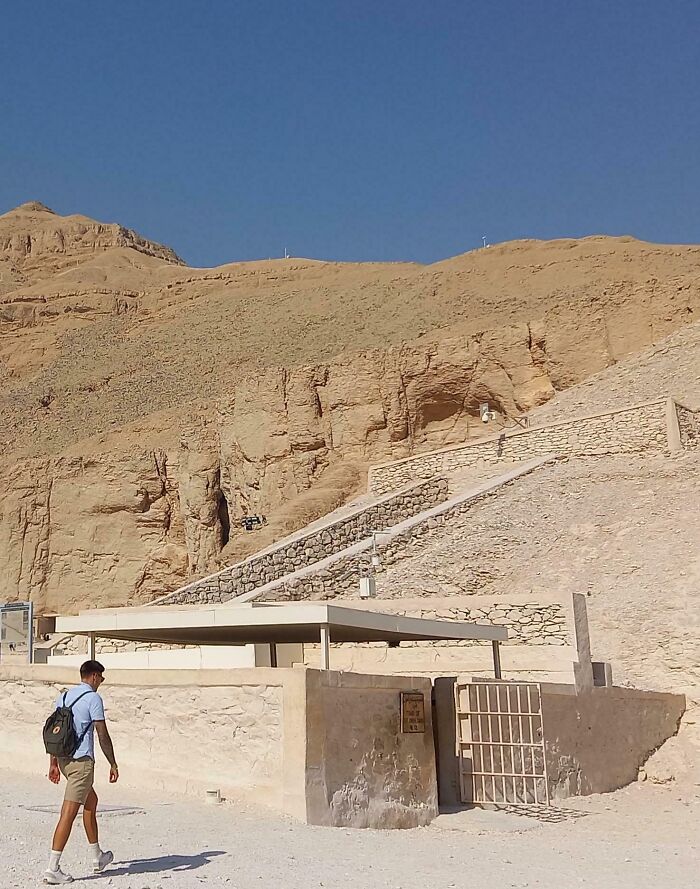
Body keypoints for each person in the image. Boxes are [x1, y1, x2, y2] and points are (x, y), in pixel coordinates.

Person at [44, 660, 119, 885]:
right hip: (81, 764)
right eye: (101, 678)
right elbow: (102, 734)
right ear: (94, 676)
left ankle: (98, 856)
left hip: (64, 760)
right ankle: (52, 868)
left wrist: (53, 763)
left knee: (91, 801)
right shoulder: (93, 698)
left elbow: (55, 731)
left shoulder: (64, 696)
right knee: (68, 812)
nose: (101, 682)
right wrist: (113, 763)